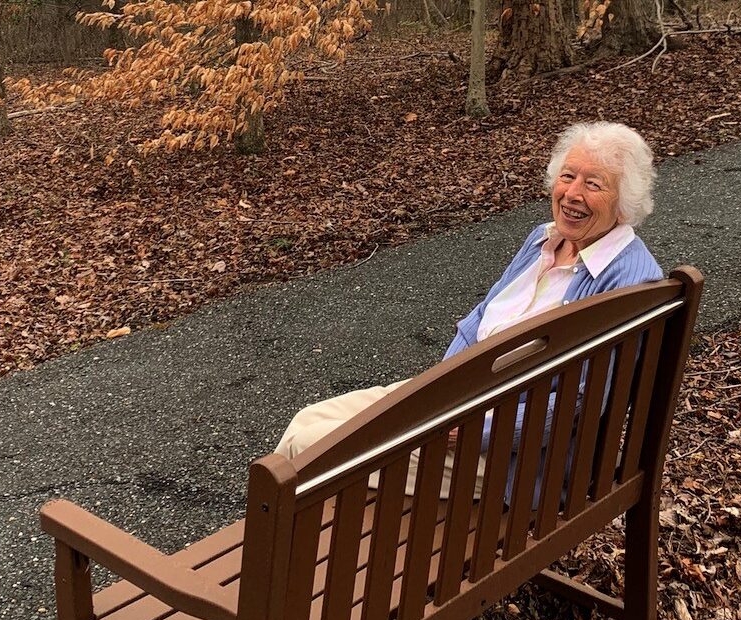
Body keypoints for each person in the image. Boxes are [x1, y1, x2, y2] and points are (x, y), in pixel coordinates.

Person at [275, 121, 665, 498]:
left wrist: (466, 425)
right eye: (567, 176)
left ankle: (283, 558)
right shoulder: (544, 239)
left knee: (310, 452)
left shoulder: (625, 281)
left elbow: (574, 405)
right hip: (460, 403)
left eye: (593, 184)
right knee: (306, 423)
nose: (572, 193)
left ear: (624, 205)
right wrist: (445, 394)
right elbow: (481, 317)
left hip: (509, 452)